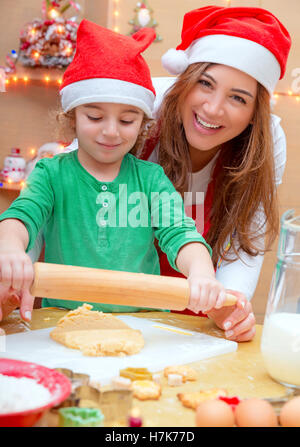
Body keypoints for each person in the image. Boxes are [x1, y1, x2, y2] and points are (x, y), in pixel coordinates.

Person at [0, 19, 227, 323]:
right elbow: (22, 215)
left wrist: (201, 271)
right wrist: (9, 247)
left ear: (143, 125)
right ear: (72, 118)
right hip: (62, 320)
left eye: (126, 120)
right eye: (95, 116)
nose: (110, 132)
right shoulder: (51, 174)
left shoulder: (151, 180)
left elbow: (180, 233)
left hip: (144, 323)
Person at [137, 6, 291, 341]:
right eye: (205, 84)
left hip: (194, 311)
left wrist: (232, 307)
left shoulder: (267, 143)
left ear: (254, 113)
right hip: (112, 297)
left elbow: (245, 239)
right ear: (185, 80)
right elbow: (57, 190)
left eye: (238, 98)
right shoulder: (141, 106)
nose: (212, 108)